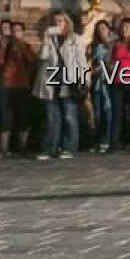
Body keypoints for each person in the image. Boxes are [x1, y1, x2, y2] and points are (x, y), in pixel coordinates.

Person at [35, 11, 87, 160]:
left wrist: (84, 79)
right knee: (52, 117)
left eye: (61, 21)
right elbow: (43, 57)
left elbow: (81, 60)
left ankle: (69, 147)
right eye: (55, 21)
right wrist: (45, 39)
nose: (58, 24)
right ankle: (50, 148)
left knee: (69, 116)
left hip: (68, 80)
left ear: (67, 22)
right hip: (51, 79)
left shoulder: (75, 38)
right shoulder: (49, 39)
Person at [0, 20, 35, 159]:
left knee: (23, 117)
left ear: (22, 32)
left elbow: (32, 60)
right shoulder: (4, 46)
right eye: (13, 30)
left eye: (18, 30)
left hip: (22, 85)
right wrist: (4, 47)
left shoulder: (26, 46)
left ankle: (23, 147)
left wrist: (20, 46)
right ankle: (4, 148)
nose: (15, 33)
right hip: (7, 85)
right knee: (6, 117)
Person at [107, 17, 130, 154]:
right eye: (123, 27)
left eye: (128, 27)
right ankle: (114, 144)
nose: (125, 29)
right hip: (117, 82)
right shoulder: (115, 44)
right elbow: (110, 61)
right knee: (117, 114)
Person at [89, 20, 115, 153]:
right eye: (99, 29)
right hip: (98, 83)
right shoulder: (95, 47)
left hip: (110, 82)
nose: (101, 31)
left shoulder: (114, 44)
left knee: (108, 112)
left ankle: (107, 140)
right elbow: (91, 65)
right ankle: (98, 141)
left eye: (104, 28)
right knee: (98, 114)